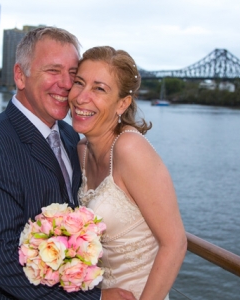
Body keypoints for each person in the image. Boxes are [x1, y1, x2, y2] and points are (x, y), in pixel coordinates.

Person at [0, 27, 135, 299]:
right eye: (52, 71)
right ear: (19, 76)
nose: (65, 83)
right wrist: (96, 299)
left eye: (73, 74)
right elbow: (0, 257)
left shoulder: (73, 137)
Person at [68, 46, 188, 300]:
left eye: (99, 88)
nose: (80, 97)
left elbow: (175, 243)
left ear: (122, 103)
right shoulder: (81, 150)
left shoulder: (130, 149)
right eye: (79, 83)